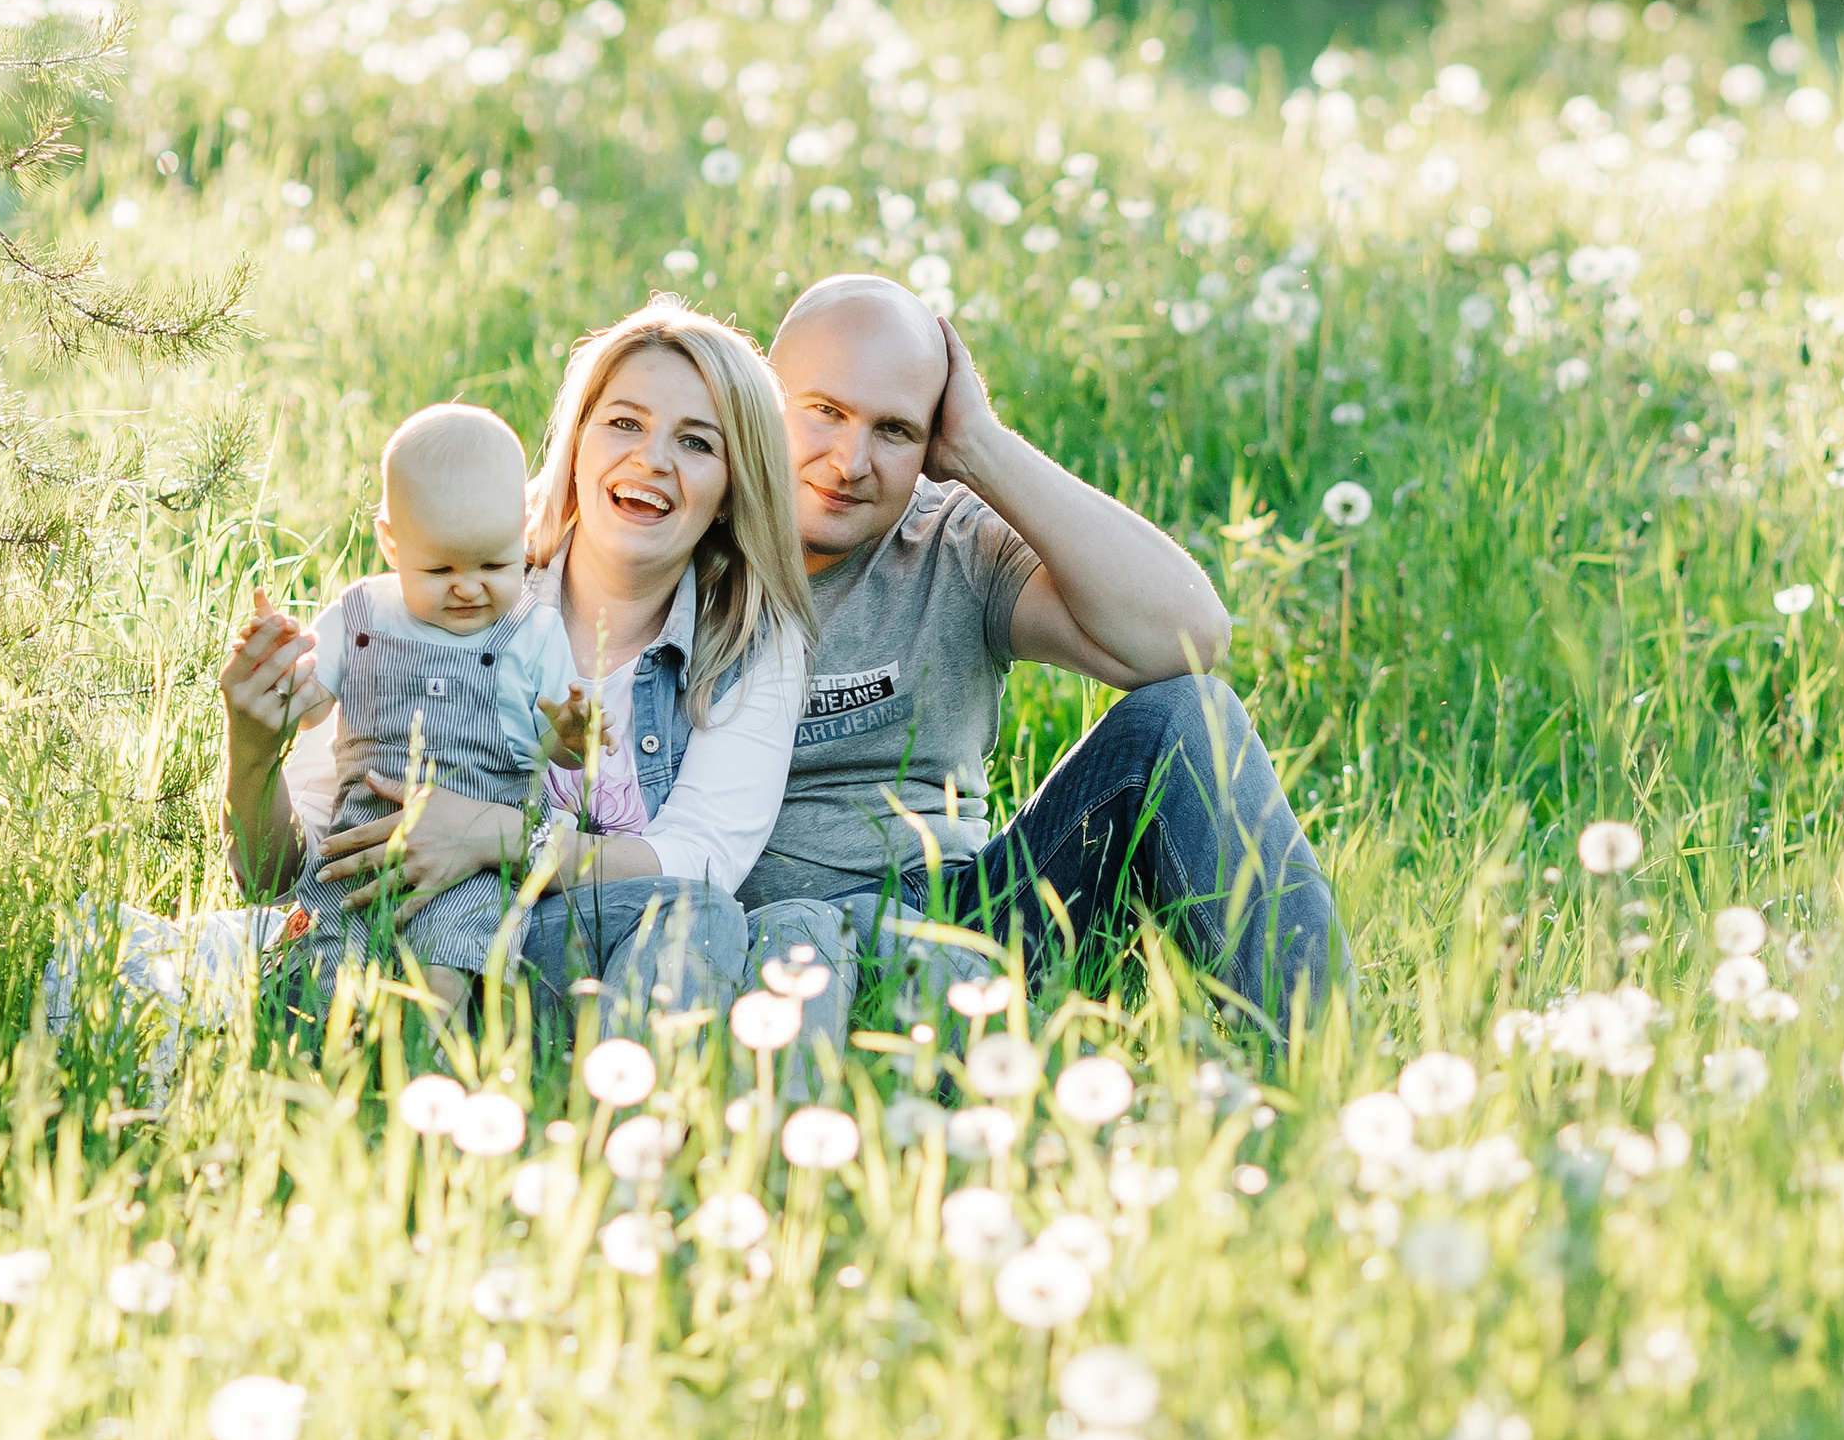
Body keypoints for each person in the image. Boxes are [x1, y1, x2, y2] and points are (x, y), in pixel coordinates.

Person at [742, 273, 1346, 1038]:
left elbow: (1189, 637)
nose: (850, 461)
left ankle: (1323, 1058)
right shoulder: (681, 536)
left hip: (963, 920)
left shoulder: (951, 541)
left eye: (894, 430)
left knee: (1187, 717)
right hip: (756, 939)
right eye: (824, 411)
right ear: (761, 399)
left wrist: (981, 448)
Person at [219, 302, 819, 1037]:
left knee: (697, 914)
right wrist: (254, 751)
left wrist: (493, 834)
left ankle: (618, 1101)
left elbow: (699, 860)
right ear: (578, 445)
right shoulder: (454, 585)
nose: (651, 459)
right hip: (386, 929)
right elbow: (280, 878)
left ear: (733, 488)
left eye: (696, 442)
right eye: (624, 423)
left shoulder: (749, 643)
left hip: (569, 955)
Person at [222, 398, 586, 1004]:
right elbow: (310, 712)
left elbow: (561, 755)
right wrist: (281, 670)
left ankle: (429, 1054)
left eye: (495, 563)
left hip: (475, 860)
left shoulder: (534, 630)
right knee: (327, 970)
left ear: (523, 527)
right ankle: (337, 1048)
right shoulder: (362, 614)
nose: (468, 586)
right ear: (391, 544)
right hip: (360, 843)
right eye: (439, 570)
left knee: (445, 968)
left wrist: (572, 737)